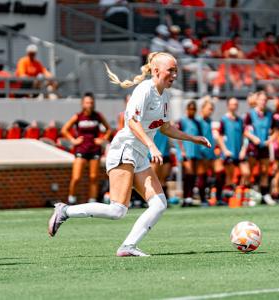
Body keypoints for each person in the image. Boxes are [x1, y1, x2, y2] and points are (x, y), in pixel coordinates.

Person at [48, 52, 210, 257]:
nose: (175, 75)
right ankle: (65, 211)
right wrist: (151, 146)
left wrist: (193, 138)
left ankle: (128, 246)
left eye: (176, 70)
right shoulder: (143, 90)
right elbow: (132, 122)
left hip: (140, 154)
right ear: (156, 70)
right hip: (124, 149)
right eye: (171, 70)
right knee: (117, 210)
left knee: (159, 204)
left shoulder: (165, 96)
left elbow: (166, 128)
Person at [61, 92, 112, 204]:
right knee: (76, 177)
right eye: (87, 102)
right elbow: (64, 129)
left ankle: (92, 202)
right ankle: (71, 200)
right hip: (81, 149)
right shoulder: (78, 116)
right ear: (82, 104)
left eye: (91, 102)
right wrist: (73, 140)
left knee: (93, 177)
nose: (89, 104)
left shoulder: (98, 116)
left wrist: (102, 139)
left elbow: (109, 129)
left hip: (94, 149)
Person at [243, 91, 278, 205]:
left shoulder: (269, 114)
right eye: (261, 100)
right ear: (256, 100)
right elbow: (245, 130)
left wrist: (271, 140)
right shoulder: (250, 114)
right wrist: (253, 138)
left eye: (265, 100)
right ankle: (249, 195)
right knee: (250, 171)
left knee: (264, 171)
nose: (263, 102)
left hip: (264, 146)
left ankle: (265, 195)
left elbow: (276, 131)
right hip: (253, 146)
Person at [217, 97, 251, 204]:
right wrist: (225, 150)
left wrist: (243, 150)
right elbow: (219, 137)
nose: (234, 106)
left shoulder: (240, 120)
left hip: (239, 152)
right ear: (228, 106)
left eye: (236, 104)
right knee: (230, 176)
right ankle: (228, 198)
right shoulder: (224, 120)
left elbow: (245, 136)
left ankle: (239, 192)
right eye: (232, 104)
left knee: (246, 172)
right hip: (229, 152)